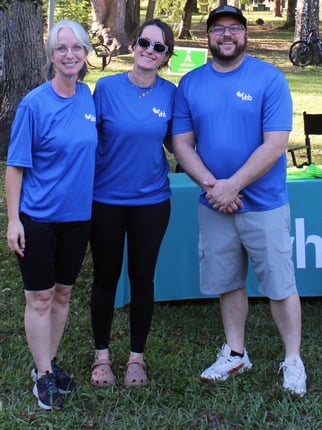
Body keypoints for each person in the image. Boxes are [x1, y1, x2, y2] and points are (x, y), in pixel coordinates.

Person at [171, 5, 307, 396]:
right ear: (207, 37)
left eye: (234, 29)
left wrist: (235, 185)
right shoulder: (191, 83)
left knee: (280, 285)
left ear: (246, 35)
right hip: (214, 203)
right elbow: (182, 143)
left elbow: (276, 144)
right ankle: (235, 353)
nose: (226, 35)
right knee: (229, 282)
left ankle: (293, 360)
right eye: (217, 29)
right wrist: (215, 186)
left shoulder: (269, 78)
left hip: (263, 203)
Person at [6, 20, 97, 410]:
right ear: (51, 55)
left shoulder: (88, 97)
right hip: (39, 218)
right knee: (39, 297)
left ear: (86, 53)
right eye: (61, 48)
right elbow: (15, 167)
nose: (70, 54)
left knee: (63, 294)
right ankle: (43, 376)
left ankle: (49, 362)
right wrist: (14, 220)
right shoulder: (34, 104)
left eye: (77, 47)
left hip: (78, 218)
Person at [88, 19, 176, 388]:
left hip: (152, 202)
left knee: (143, 278)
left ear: (166, 56)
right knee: (106, 277)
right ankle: (102, 357)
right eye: (145, 42)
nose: (149, 50)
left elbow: (181, 146)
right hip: (105, 200)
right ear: (133, 44)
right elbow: (83, 144)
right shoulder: (105, 89)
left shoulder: (171, 94)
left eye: (159, 47)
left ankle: (137, 358)